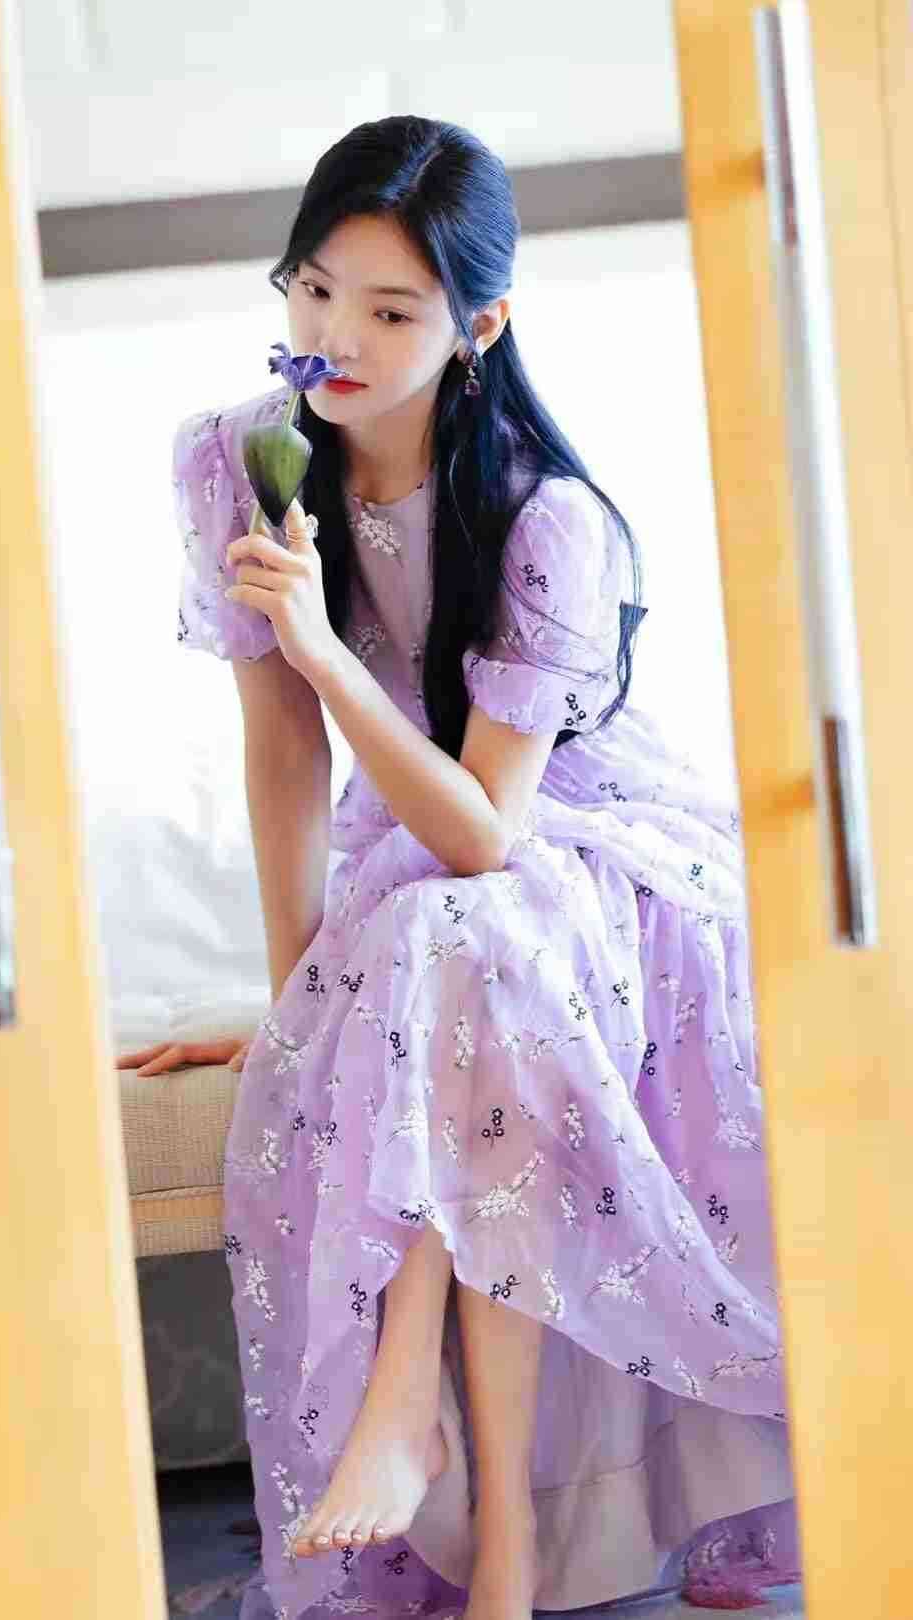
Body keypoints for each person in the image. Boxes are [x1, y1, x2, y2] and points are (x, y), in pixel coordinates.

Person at [121, 116, 801, 1620]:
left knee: (465, 931)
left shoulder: (551, 521)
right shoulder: (240, 460)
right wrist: (302, 1006)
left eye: (389, 311)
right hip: (425, 871)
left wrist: (320, 644)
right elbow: (283, 757)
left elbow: (494, 825)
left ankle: (426, 1437)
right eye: (312, 289)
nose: (333, 339)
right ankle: (488, 1546)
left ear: (479, 326)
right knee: (444, 940)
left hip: (591, 848)